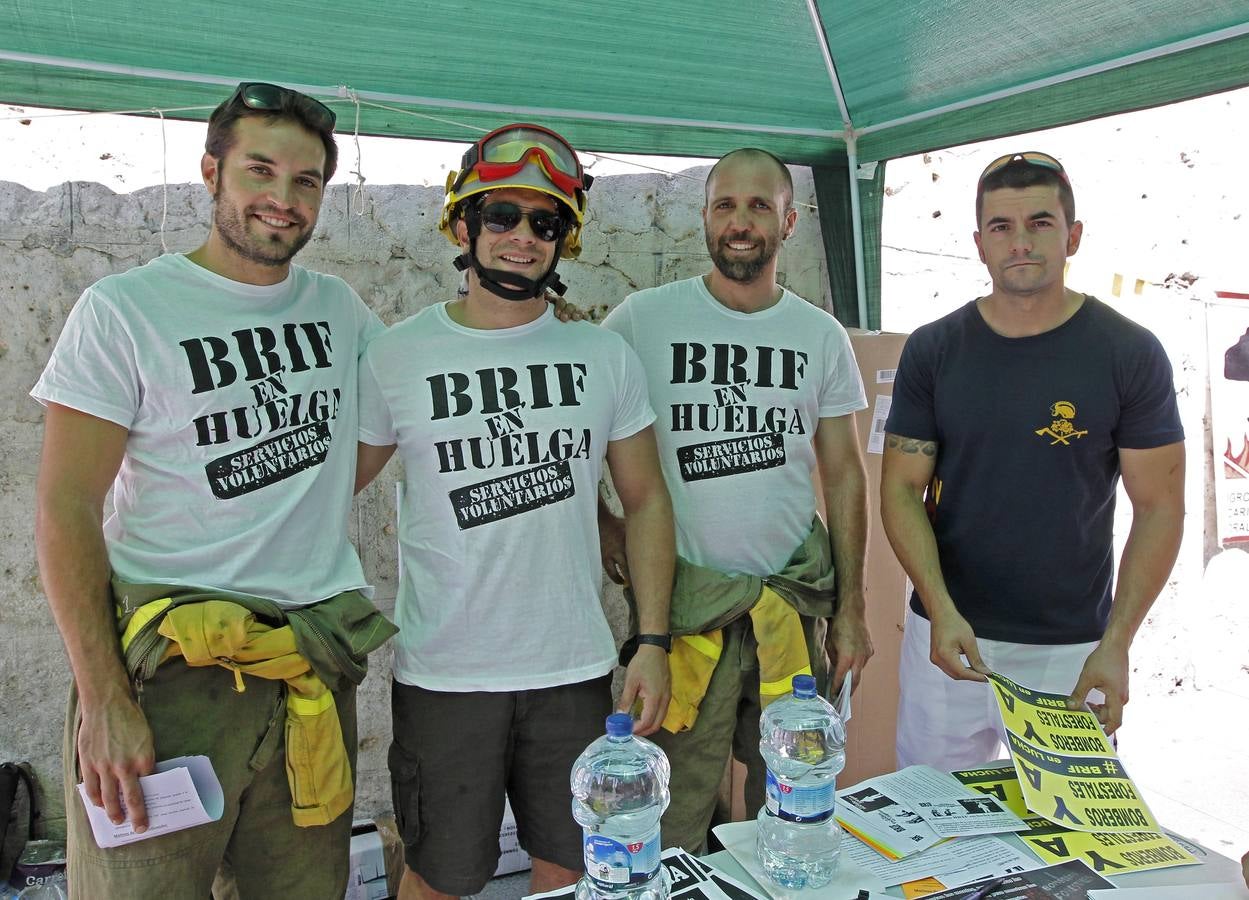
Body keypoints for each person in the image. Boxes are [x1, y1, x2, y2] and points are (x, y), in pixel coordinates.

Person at [31, 83, 397, 899]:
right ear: (212, 172)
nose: (282, 198)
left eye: (306, 182)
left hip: (307, 668)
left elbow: (367, 445)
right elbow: (64, 510)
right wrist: (104, 699)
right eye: (260, 171)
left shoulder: (341, 309)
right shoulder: (125, 309)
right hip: (171, 683)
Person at [353, 123, 674, 899]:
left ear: (564, 239)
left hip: (572, 667)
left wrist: (652, 640)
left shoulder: (602, 356)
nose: (522, 238)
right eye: (501, 215)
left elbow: (646, 500)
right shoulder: (398, 355)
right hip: (446, 673)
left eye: (545, 222)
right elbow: (321, 494)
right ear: (462, 226)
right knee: (439, 877)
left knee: (572, 872)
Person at [599, 148, 871, 852]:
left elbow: (842, 474)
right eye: (725, 205)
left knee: (789, 803)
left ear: (790, 220)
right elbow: (576, 440)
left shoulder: (818, 335)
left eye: (758, 206)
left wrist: (851, 608)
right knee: (670, 809)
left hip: (789, 604)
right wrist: (605, 528)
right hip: (683, 617)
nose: (740, 221)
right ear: (704, 218)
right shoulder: (641, 320)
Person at [881, 151, 1185, 771]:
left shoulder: (1129, 352)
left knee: (1072, 842)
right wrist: (938, 610)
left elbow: (1159, 506)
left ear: (1072, 236)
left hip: (1071, 647)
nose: (1020, 242)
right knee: (933, 832)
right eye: (1001, 227)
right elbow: (899, 489)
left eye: (1040, 223)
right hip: (948, 639)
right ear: (979, 243)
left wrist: (1117, 642)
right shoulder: (934, 349)